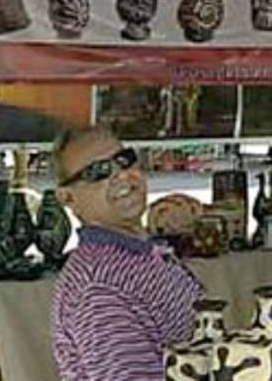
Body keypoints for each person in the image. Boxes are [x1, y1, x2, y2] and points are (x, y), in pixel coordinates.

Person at [51, 127, 202, 380]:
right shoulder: (99, 288)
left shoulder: (141, 253)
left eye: (124, 160)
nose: (121, 175)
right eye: (97, 172)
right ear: (68, 197)